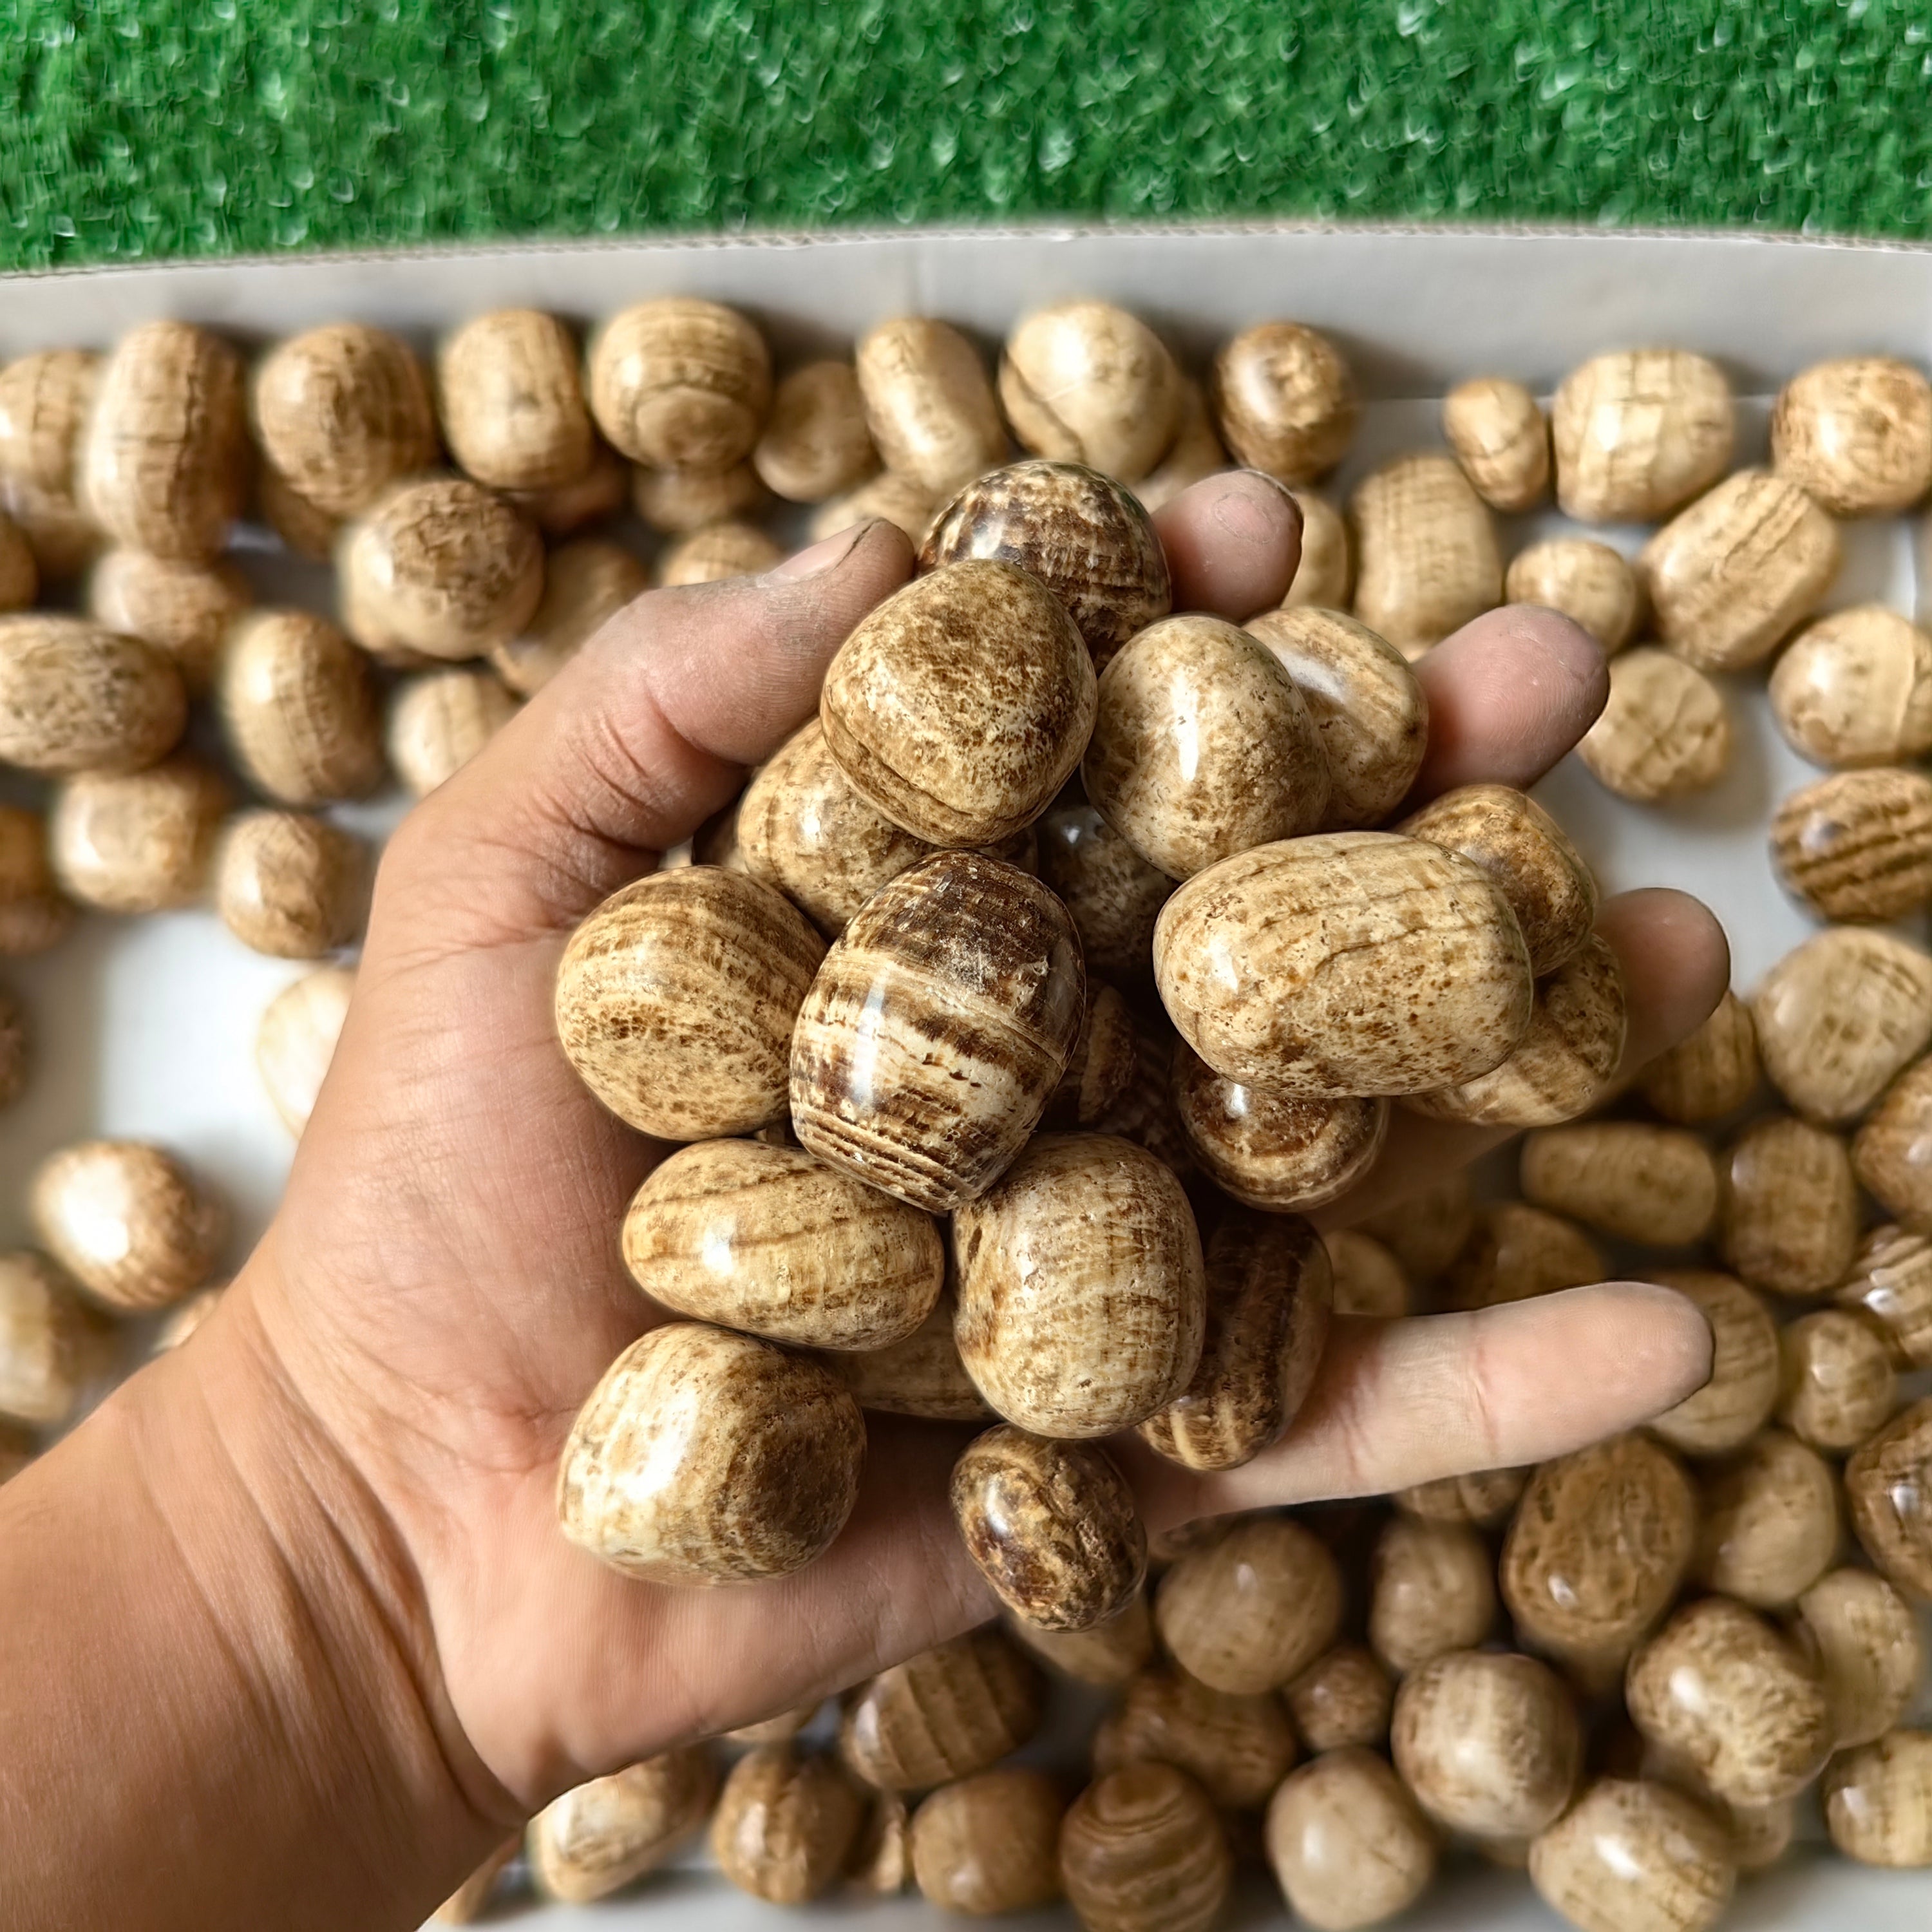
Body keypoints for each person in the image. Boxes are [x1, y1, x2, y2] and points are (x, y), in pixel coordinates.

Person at [0, 475, 1721, 1931]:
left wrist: (319, 1546)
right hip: (955, 1151)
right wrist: (333, 1533)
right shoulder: (865, 1103)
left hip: (1028, 1131)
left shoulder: (1110, 971)